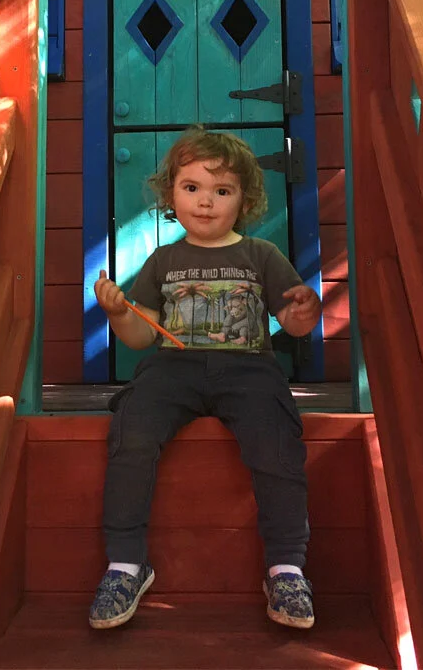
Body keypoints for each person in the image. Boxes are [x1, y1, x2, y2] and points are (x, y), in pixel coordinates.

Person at [90, 128, 322, 631]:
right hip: (172, 370)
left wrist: (306, 311)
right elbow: (140, 336)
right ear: (171, 194)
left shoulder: (261, 254)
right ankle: (125, 563)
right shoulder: (164, 261)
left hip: (249, 369)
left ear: (245, 199)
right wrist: (118, 313)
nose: (205, 201)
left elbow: (295, 321)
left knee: (275, 440)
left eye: (222, 190)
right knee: (133, 430)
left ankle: (286, 567)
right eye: (192, 187)